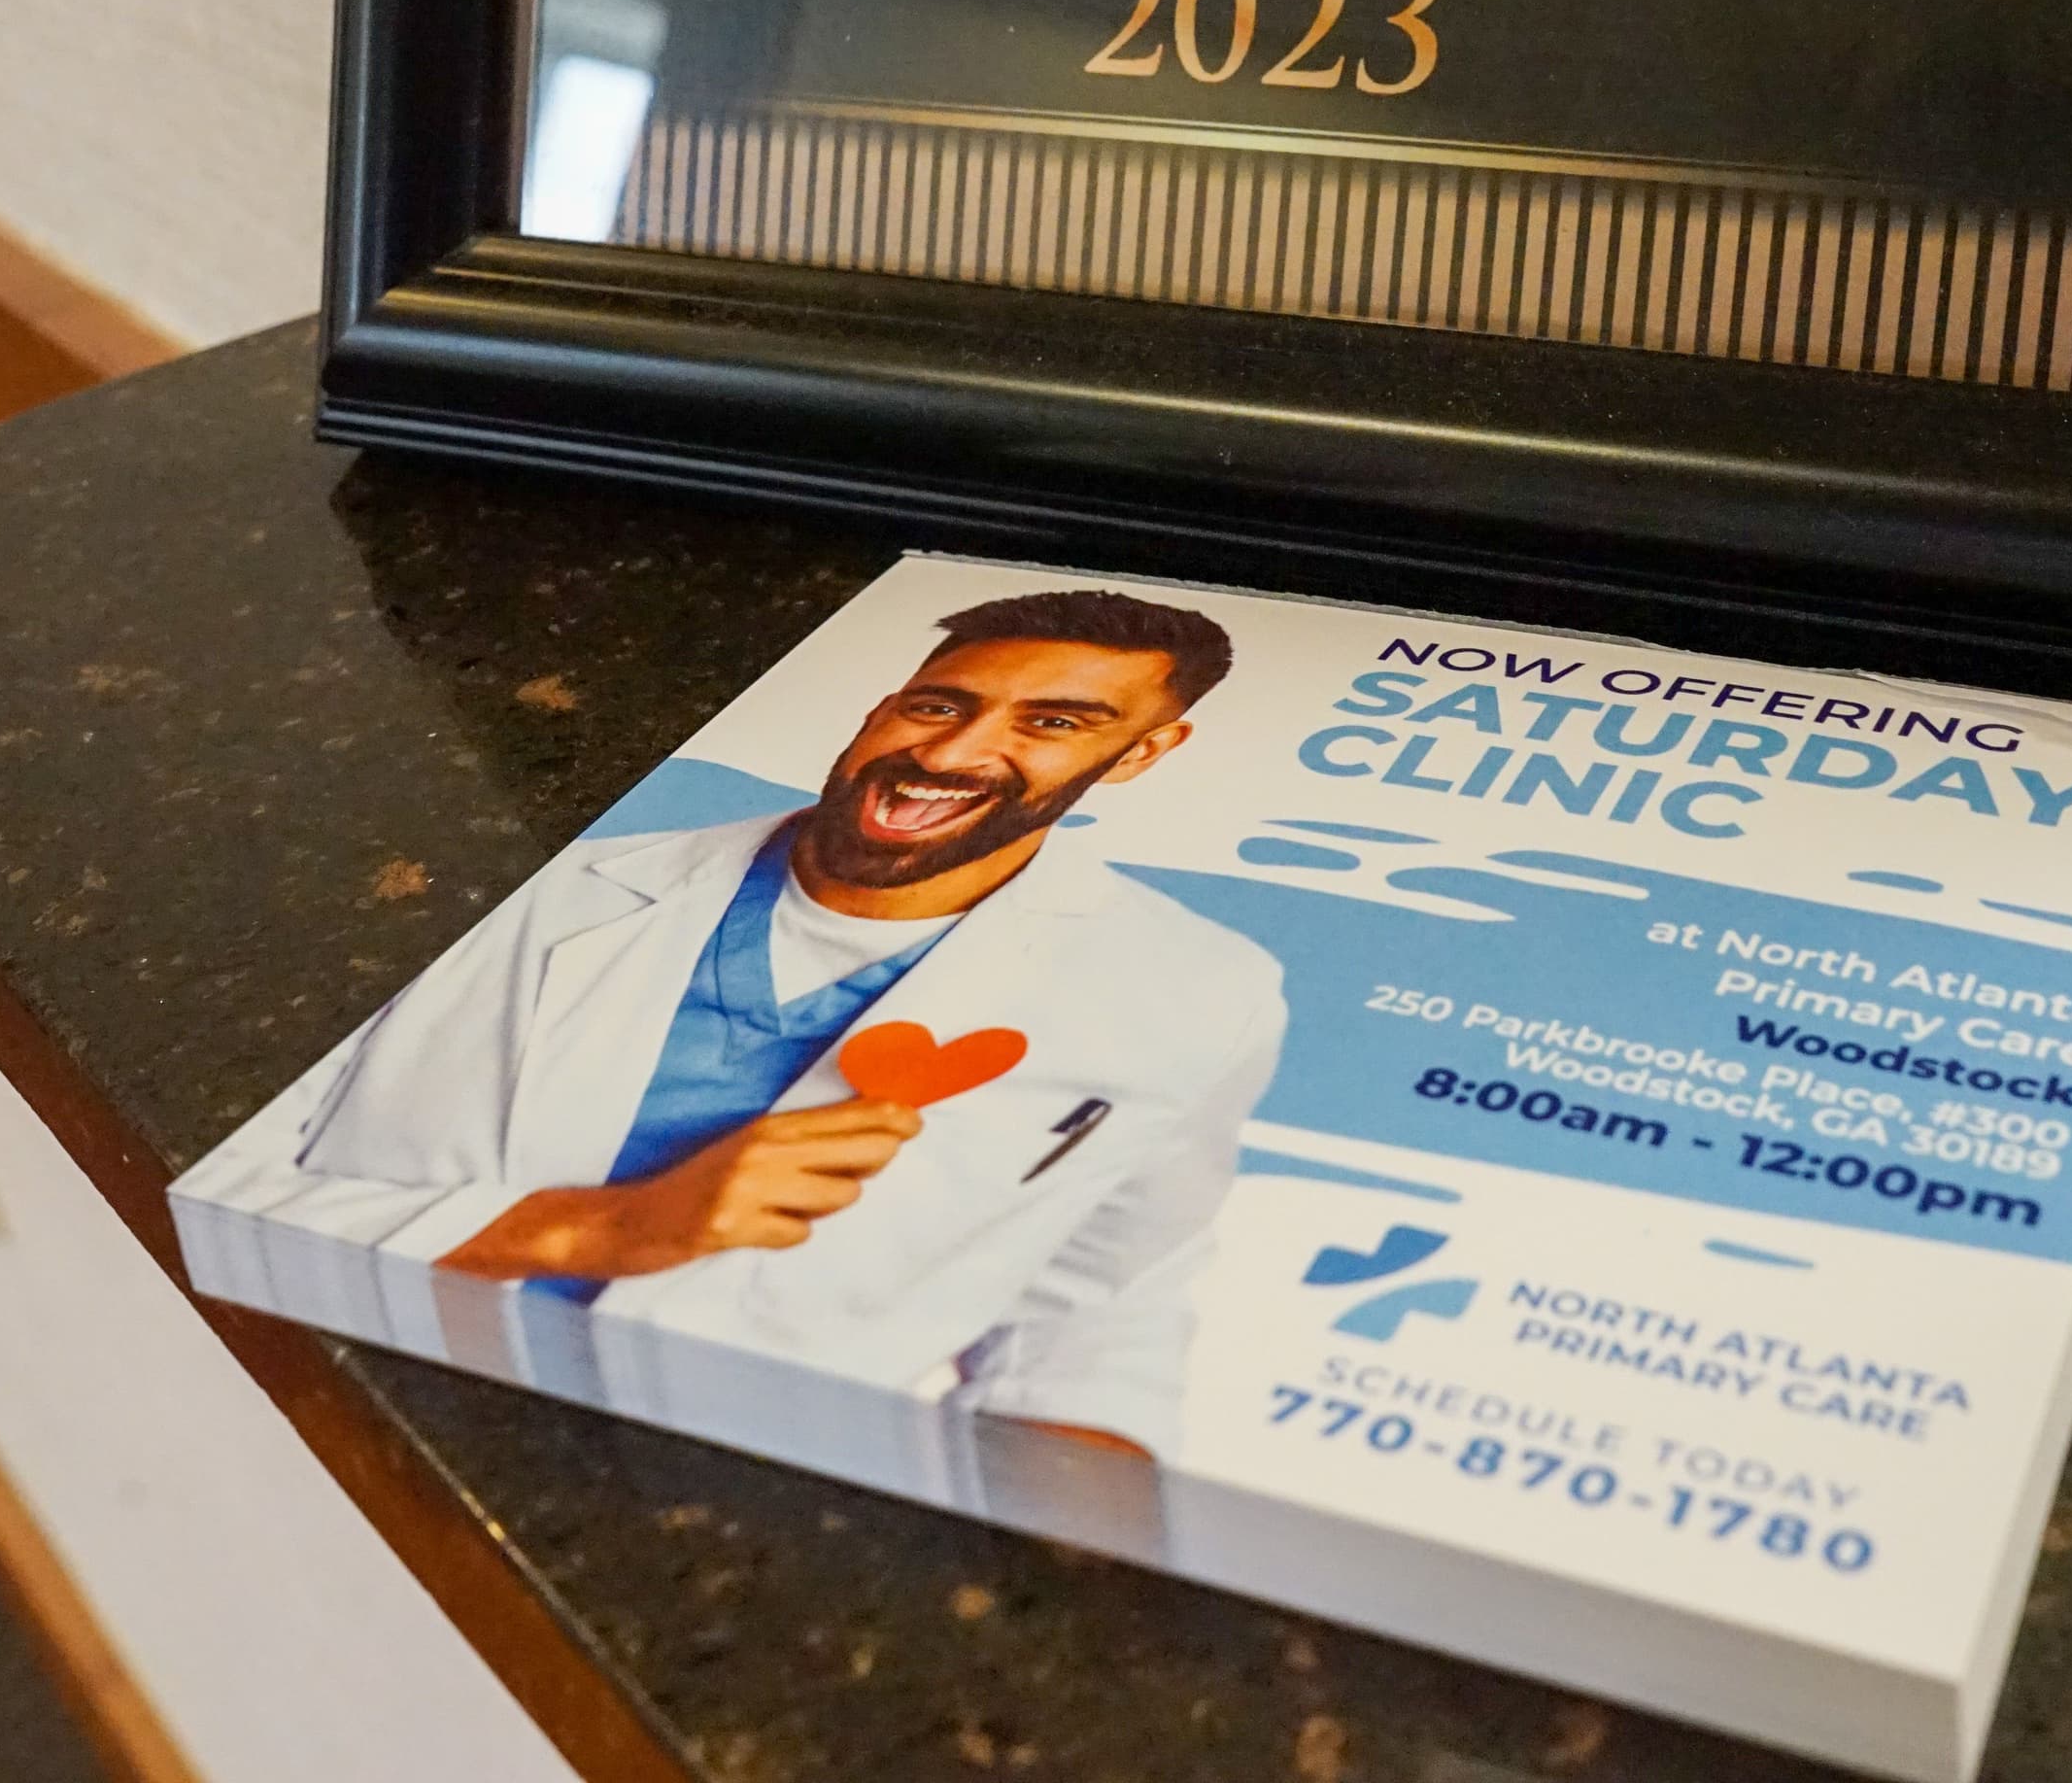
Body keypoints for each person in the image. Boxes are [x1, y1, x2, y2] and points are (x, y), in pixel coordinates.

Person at [191, 589, 1284, 1459]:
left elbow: (1099, 1318)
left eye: (1053, 723)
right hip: (349, 1410)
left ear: (1142, 753)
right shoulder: (529, 885)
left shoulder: (1198, 991)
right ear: (882, 700)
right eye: (939, 704)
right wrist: (604, 1229)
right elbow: (193, 1184)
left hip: (748, 1495)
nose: (950, 755)